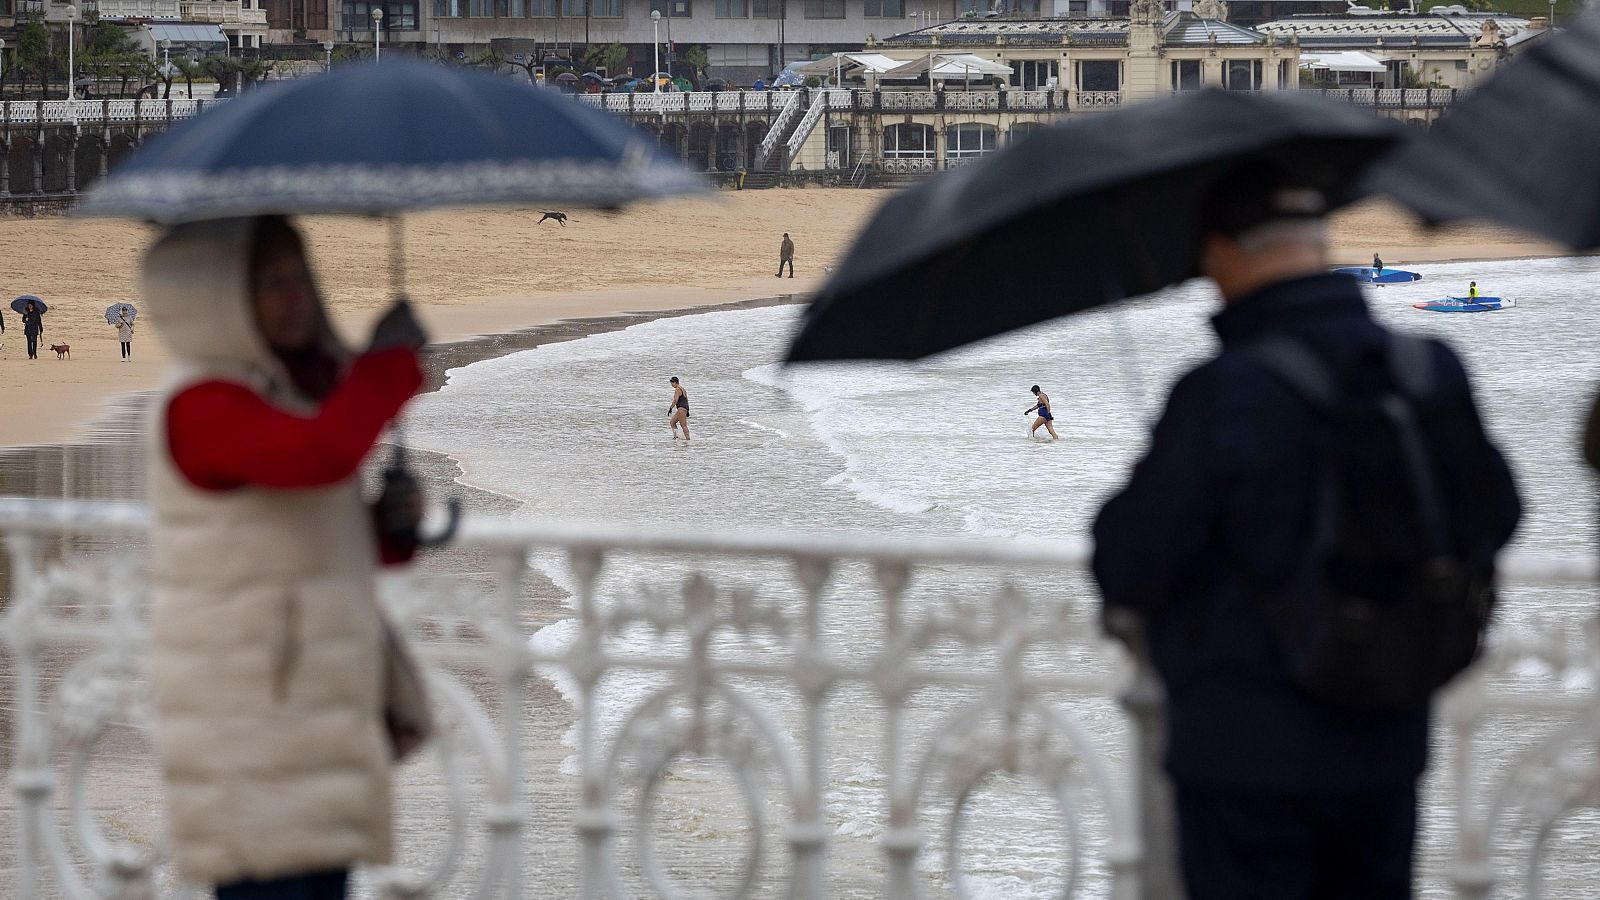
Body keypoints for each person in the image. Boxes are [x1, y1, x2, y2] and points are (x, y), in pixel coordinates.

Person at [1092, 163, 1520, 900]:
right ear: (1319, 246)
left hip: (1244, 759)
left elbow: (1129, 563)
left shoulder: (1222, 392)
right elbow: (1500, 511)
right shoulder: (1428, 369)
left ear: (1222, 254)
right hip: (1387, 732)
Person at [142, 216, 433, 900]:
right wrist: (387, 367)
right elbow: (319, 455)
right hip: (251, 718)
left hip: (311, 711)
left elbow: (303, 532)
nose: (296, 298)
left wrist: (388, 528)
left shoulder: (283, 396)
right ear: (221, 298)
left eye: (302, 278)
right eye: (272, 283)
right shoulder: (203, 403)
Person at [668, 376, 690, 440]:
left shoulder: (677, 389)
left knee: (683, 425)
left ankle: (688, 440)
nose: (671, 385)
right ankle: (676, 437)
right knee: (672, 422)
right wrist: (687, 410)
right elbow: (686, 399)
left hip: (681, 409)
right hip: (684, 408)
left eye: (672, 383)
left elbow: (675, 400)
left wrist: (670, 408)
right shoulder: (682, 388)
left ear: (675, 382)